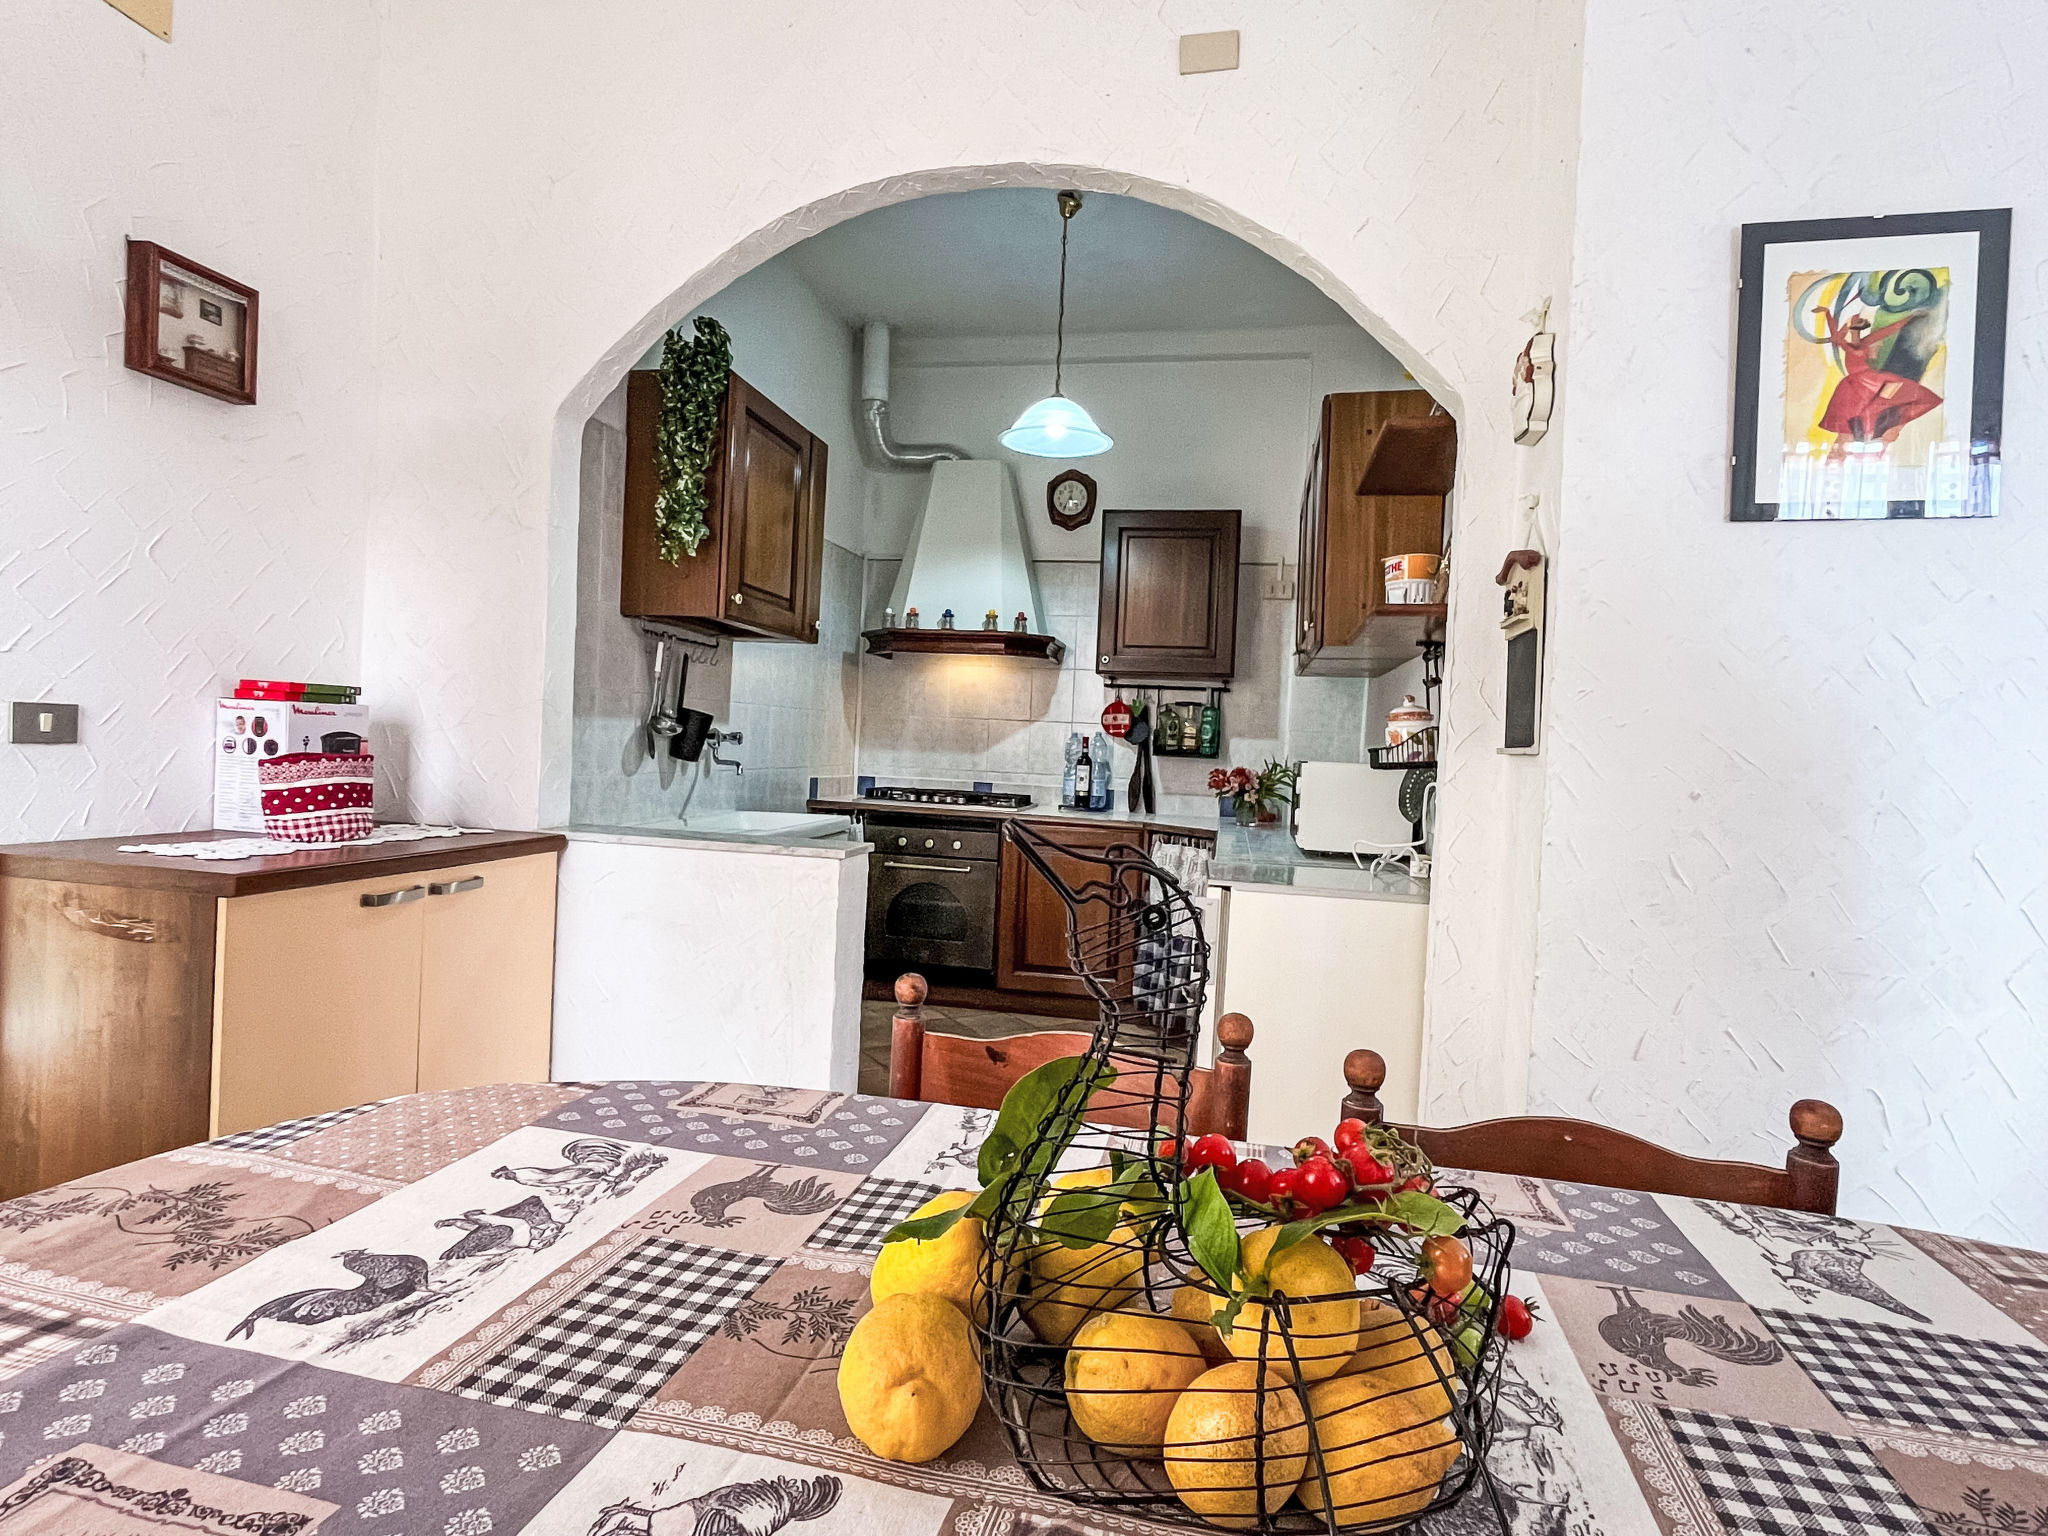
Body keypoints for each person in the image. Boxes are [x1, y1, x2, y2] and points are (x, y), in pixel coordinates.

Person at [1811, 307, 1942, 446]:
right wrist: (1826, 313)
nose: (1855, 327)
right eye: (1854, 324)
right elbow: (1835, 333)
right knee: (1848, 428)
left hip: (1868, 380)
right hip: (1853, 385)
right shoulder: (1845, 343)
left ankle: (1887, 430)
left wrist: (1910, 318)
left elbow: (1891, 329)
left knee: (1892, 399)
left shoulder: (1866, 341)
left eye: (1858, 324)